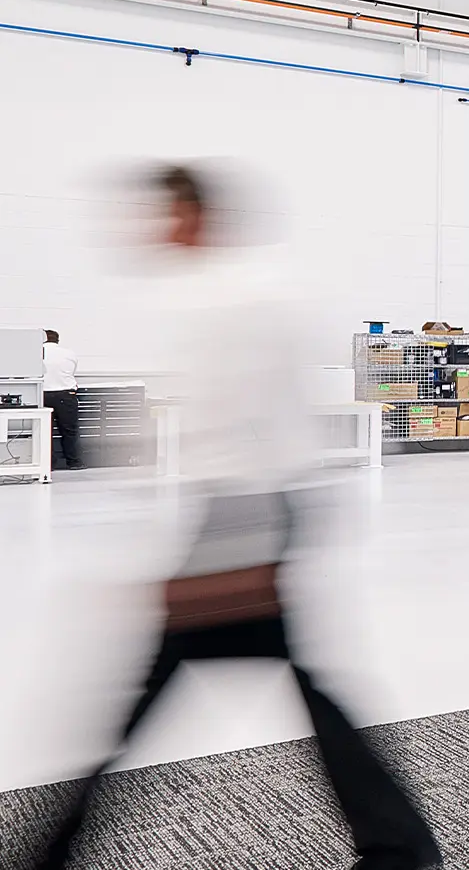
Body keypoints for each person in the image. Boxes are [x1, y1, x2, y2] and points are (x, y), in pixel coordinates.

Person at [36, 163, 440, 870]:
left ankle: (54, 850)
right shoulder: (232, 293)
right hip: (249, 511)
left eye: (159, 218)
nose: (149, 233)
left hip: (244, 511)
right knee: (290, 690)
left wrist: (239, 552)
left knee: (144, 692)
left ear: (191, 216)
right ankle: (400, 846)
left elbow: (255, 434)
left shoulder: (234, 301)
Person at [41, 327, 80, 472]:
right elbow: (72, 370)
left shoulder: (37, 352)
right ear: (57, 340)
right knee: (69, 431)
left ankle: (48, 464)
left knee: (45, 432)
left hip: (42, 395)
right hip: (66, 395)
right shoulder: (69, 353)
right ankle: (74, 462)